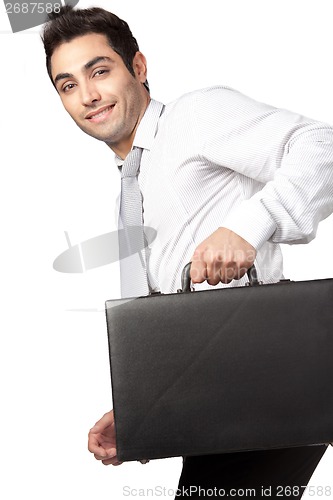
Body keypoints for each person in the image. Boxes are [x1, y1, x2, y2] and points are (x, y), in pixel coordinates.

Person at [41, 5, 333, 498]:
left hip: (263, 384)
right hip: (221, 402)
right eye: (68, 85)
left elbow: (322, 147)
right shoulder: (132, 185)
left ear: (138, 68)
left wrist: (247, 227)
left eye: (99, 71)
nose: (88, 95)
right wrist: (143, 407)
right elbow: (176, 322)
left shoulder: (194, 117)